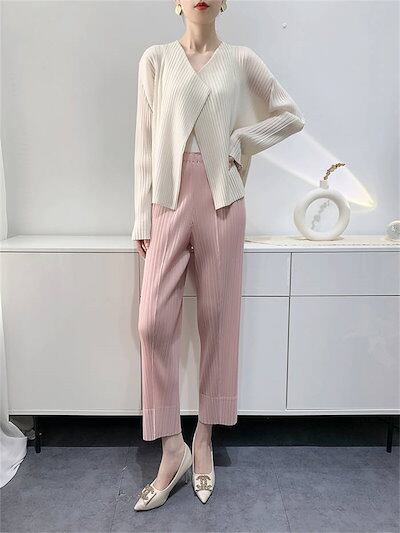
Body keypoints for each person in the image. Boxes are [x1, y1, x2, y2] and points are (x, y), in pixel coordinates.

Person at [132, 0, 305, 511]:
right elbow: (144, 144)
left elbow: (290, 116)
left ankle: (204, 437)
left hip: (223, 200)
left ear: (224, 2)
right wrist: (141, 217)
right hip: (167, 201)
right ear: (176, 3)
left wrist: (241, 140)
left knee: (218, 321)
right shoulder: (156, 59)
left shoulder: (241, 59)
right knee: (151, 323)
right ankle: (172, 447)